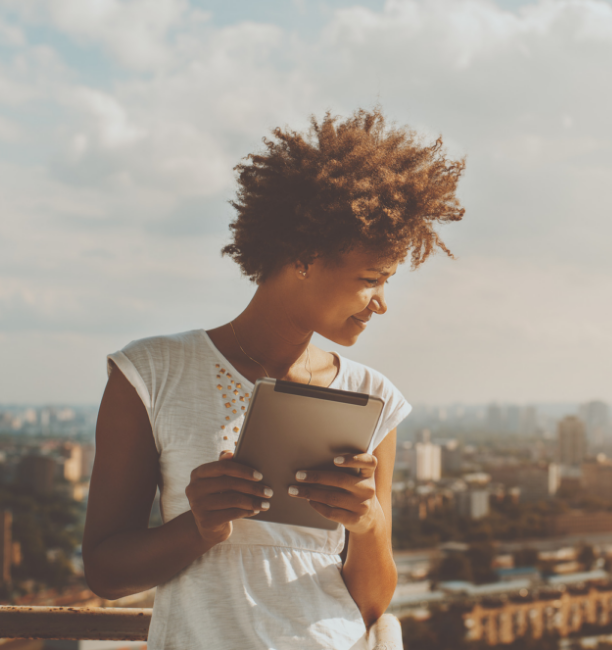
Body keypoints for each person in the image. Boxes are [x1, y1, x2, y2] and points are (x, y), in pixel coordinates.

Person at [82, 108, 465, 650]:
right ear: (305, 257)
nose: (382, 303)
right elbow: (103, 572)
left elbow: (373, 603)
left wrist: (369, 524)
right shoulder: (149, 373)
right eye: (371, 279)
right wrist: (198, 527)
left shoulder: (372, 397)